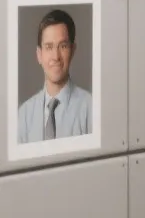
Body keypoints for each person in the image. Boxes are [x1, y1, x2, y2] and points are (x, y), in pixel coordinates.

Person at [16, 9, 92, 143]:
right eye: (49, 47)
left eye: (63, 46)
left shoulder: (91, 108)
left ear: (73, 50)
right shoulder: (23, 115)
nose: (56, 57)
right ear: (39, 55)